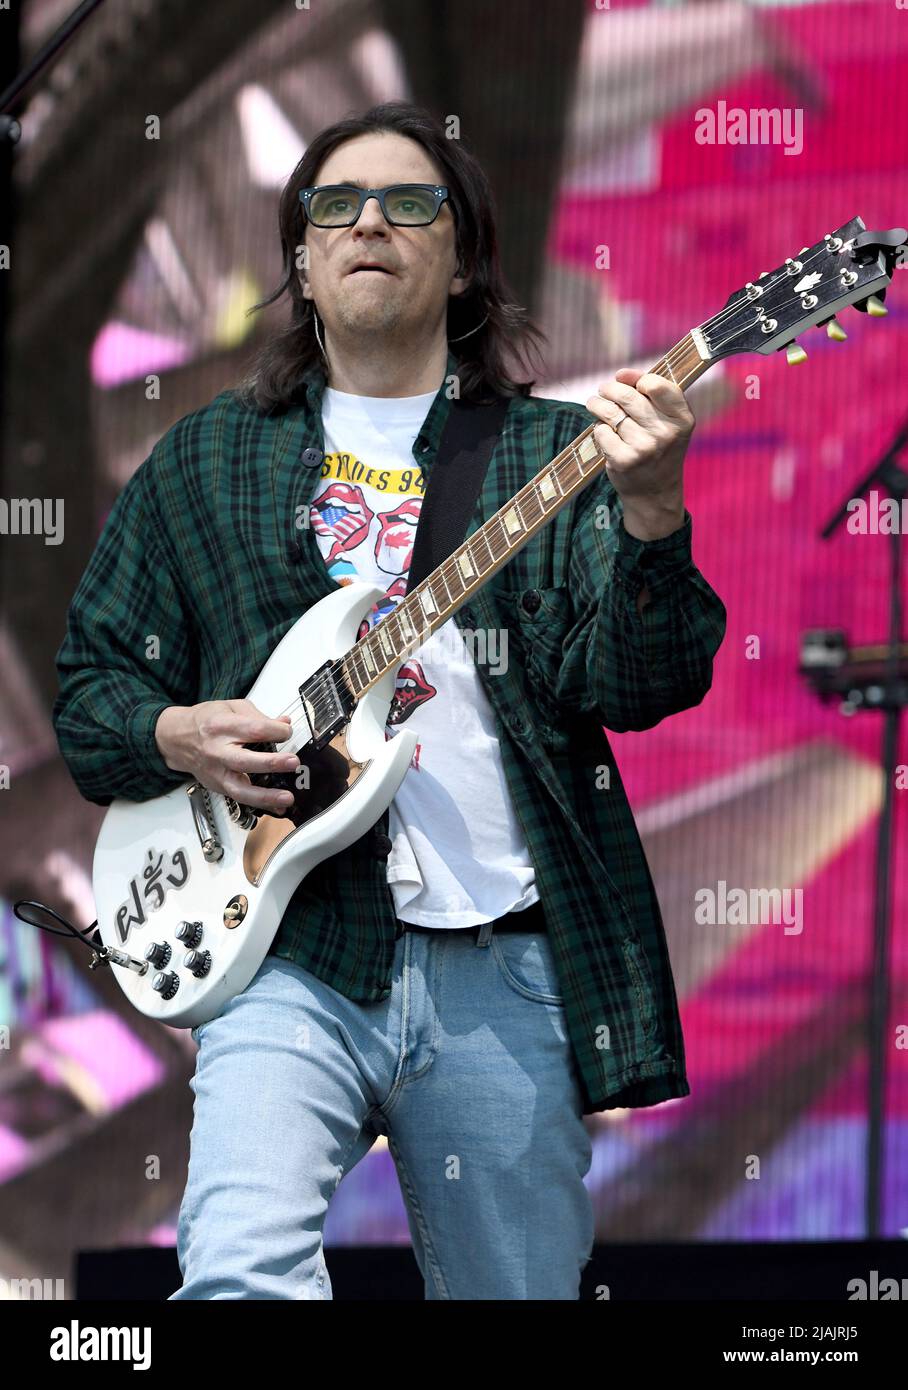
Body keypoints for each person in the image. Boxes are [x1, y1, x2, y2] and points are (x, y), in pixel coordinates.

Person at [52, 100, 726, 1300]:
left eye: (410, 202)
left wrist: (651, 511)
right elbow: (92, 688)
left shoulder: (548, 449)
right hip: (290, 950)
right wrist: (173, 731)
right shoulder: (207, 458)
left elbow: (637, 681)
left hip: (502, 961)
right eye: (335, 205)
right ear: (301, 260)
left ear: (460, 257)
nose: (369, 221)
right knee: (237, 1275)